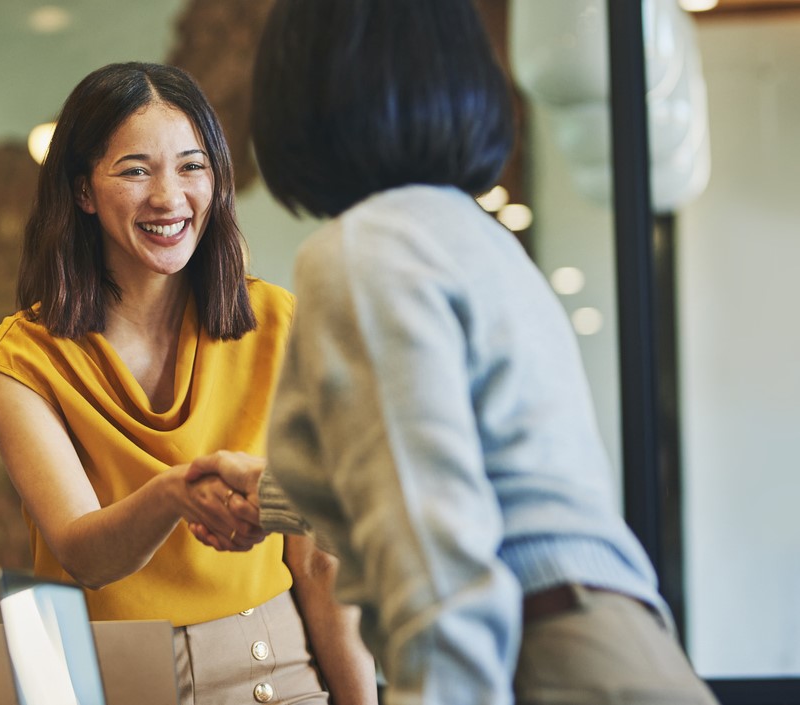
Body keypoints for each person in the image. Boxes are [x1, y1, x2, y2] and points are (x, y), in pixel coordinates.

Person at [182, 1, 723, 704]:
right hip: (612, 642)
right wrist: (274, 495)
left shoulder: (365, 252)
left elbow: (437, 566)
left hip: (540, 657)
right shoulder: (475, 237)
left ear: (304, 88)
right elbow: (477, 481)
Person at [0, 62, 377, 705]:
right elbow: (85, 555)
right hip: (100, 680)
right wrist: (178, 494)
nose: (169, 197)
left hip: (275, 673)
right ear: (82, 191)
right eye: (135, 170)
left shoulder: (278, 322)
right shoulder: (15, 361)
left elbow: (320, 559)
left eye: (192, 166)